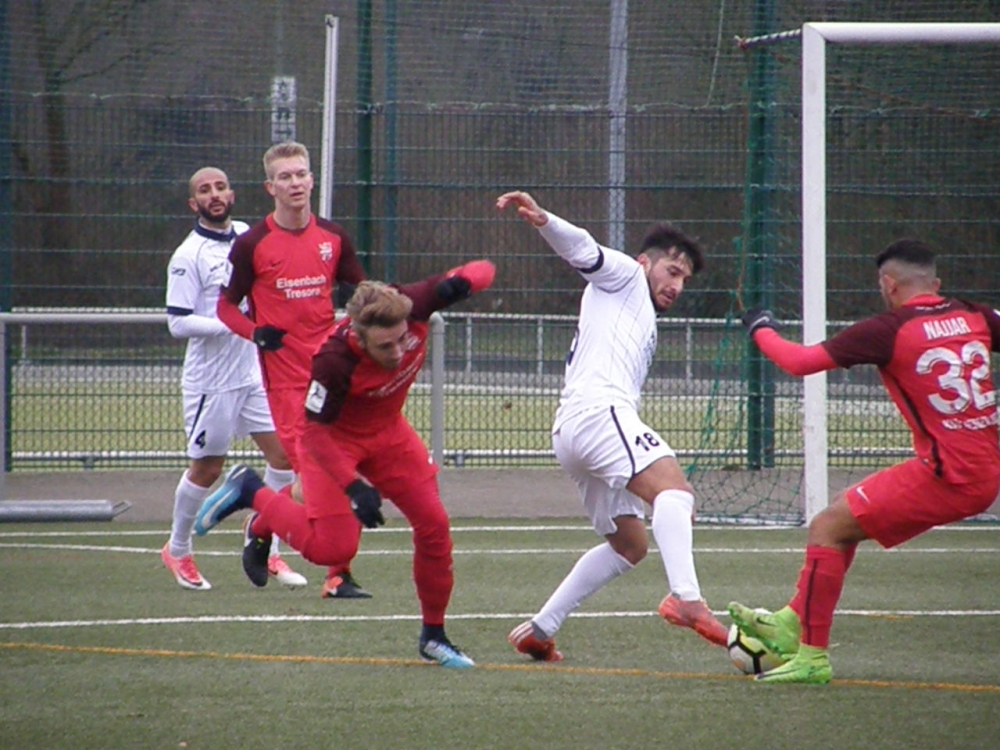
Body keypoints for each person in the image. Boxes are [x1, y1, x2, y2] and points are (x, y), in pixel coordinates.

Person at [195, 260, 496, 668]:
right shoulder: (334, 360)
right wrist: (353, 486)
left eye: (401, 340)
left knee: (435, 526)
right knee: (331, 549)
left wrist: (457, 284)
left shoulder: (415, 303)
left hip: (389, 434)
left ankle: (433, 635)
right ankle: (251, 490)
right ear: (358, 336)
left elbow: (485, 269)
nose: (397, 352)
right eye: (384, 346)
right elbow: (315, 434)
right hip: (334, 442)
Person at [730, 238, 1000, 684]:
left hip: (950, 476)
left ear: (889, 284)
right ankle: (793, 620)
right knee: (844, 513)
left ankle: (812, 657)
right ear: (935, 283)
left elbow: (799, 361)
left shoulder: (888, 329)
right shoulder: (975, 315)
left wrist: (761, 328)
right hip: (981, 470)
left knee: (826, 527)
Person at [496, 190, 728, 663]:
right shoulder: (625, 276)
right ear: (645, 262)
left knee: (629, 545)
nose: (677, 285)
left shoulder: (636, 311)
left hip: (574, 429)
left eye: (684, 279)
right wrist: (545, 220)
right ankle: (687, 599)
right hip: (599, 416)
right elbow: (585, 249)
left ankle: (540, 629)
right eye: (672, 271)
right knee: (675, 493)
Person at [215, 141, 370, 598]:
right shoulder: (252, 245)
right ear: (270, 187)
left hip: (331, 376)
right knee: (322, 481)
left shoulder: (333, 237)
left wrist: (377, 316)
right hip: (285, 382)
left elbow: (365, 292)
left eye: (301, 174)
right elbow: (225, 308)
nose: (295, 183)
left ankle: (276, 533)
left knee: (339, 471)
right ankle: (320, 562)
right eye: (285, 177)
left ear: (312, 180)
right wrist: (255, 332)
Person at [161, 166, 306, 591]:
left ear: (232, 194)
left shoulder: (247, 235)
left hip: (254, 373)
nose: (214, 194)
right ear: (194, 203)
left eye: (220, 187)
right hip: (212, 381)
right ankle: (178, 549)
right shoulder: (187, 256)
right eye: (205, 190)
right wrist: (238, 326)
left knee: (285, 457)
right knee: (207, 469)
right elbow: (178, 323)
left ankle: (265, 541)